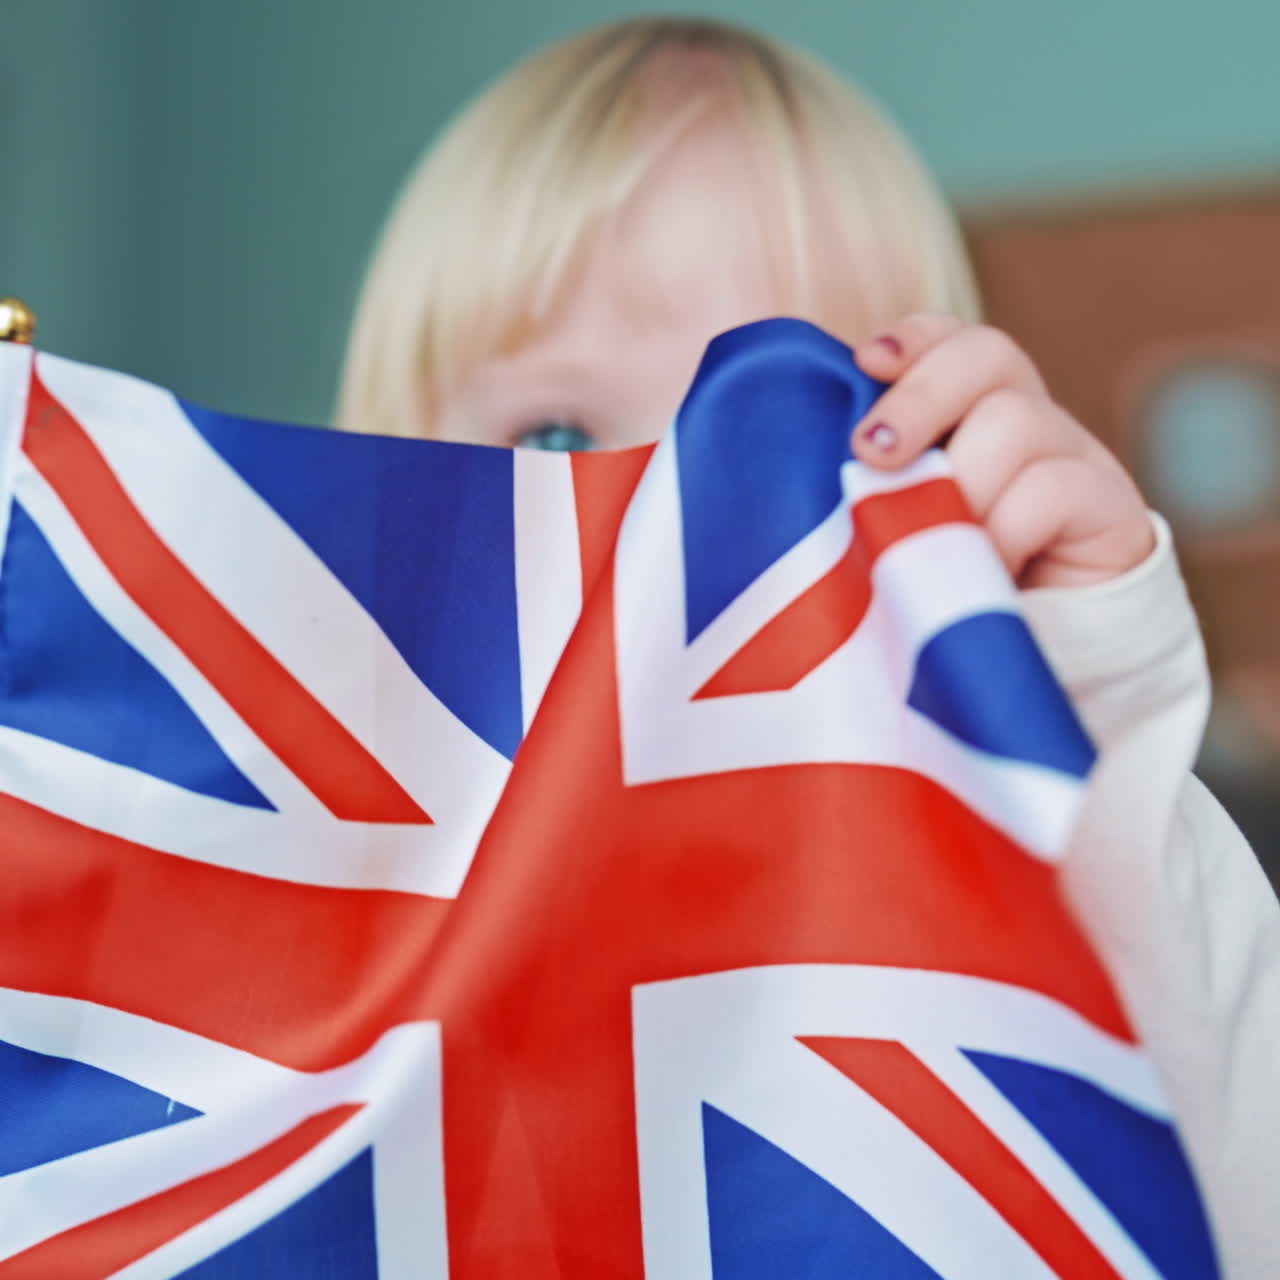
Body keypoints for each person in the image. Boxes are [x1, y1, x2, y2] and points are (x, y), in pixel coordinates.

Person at [336, 17, 1280, 1273]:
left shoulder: (926, 853)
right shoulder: (319, 864)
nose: (662, 529)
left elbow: (1219, 1186)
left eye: (771, 442)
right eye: (557, 437)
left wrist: (1077, 699)